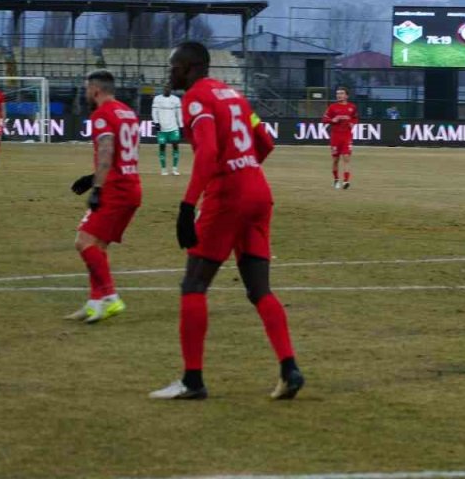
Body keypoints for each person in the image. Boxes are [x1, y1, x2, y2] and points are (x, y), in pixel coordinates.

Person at [150, 41, 303, 401]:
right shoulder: (233, 95)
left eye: (173, 67)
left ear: (189, 68)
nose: (169, 73)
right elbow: (265, 142)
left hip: (228, 196)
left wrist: (188, 206)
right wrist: (245, 170)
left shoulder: (196, 98)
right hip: (257, 191)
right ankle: (289, 368)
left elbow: (208, 154)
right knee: (259, 289)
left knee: (193, 285)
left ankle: (192, 380)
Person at [65, 70, 142, 323]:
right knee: (98, 247)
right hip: (130, 186)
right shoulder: (127, 112)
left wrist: (97, 189)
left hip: (115, 189)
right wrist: (92, 177)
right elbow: (120, 152)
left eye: (87, 89)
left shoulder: (102, 114)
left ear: (96, 89)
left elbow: (108, 149)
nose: (86, 93)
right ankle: (94, 304)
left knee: (83, 242)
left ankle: (110, 297)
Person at [322, 86, 358, 189]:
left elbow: (355, 118)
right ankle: (336, 180)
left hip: (347, 137)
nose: (339, 95)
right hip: (335, 137)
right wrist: (333, 120)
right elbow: (324, 119)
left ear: (346, 95)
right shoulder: (332, 107)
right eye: (338, 93)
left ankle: (346, 181)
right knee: (335, 160)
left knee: (346, 158)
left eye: (341, 93)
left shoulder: (352, 107)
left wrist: (352, 123)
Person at [152, 85, 183, 176]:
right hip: (162, 128)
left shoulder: (176, 100)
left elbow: (179, 114)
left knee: (175, 146)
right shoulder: (157, 99)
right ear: (163, 89)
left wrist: (181, 126)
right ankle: (163, 169)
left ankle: (174, 169)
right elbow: (154, 112)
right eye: (165, 88)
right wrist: (156, 123)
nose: (167, 90)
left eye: (169, 88)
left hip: (173, 127)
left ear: (171, 90)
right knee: (162, 147)